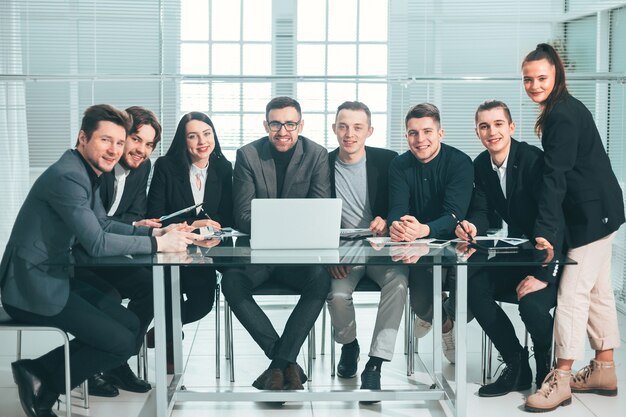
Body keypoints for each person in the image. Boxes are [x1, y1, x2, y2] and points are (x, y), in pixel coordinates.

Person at [0, 104, 198, 417]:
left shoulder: (82, 171)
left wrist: (153, 230)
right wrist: (157, 243)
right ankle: (44, 383)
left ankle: (39, 373)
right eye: (106, 141)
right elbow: (96, 241)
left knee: (131, 326)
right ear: (83, 137)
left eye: (119, 143)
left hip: (54, 275)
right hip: (31, 285)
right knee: (120, 343)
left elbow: (102, 224)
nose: (114, 150)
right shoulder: (69, 176)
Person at [521, 43, 625, 412]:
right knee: (597, 292)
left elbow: (555, 178)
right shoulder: (561, 109)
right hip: (601, 211)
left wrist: (545, 233)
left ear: (557, 75)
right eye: (528, 79)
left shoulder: (562, 115)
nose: (534, 85)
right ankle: (604, 369)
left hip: (592, 215)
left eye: (541, 78)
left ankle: (561, 378)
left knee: (572, 295)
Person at [221, 96, 331, 391]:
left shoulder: (317, 154)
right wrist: (288, 224)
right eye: (276, 123)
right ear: (266, 124)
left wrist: (277, 223)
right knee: (231, 282)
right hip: (259, 254)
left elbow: (319, 209)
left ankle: (278, 365)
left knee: (320, 279)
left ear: (301, 125)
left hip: (298, 257)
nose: (283, 130)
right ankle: (285, 362)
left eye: (290, 123)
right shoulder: (247, 155)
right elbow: (242, 215)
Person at [455, 100, 563, 397]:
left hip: (550, 255)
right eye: (484, 126)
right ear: (477, 131)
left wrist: (543, 274)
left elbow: (555, 218)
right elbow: (482, 211)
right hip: (520, 252)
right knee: (474, 289)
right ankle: (517, 364)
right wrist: (472, 225)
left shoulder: (533, 160)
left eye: (498, 124)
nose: (492, 132)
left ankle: (544, 367)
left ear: (511, 127)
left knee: (531, 305)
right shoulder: (480, 165)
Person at [325, 101, 408, 395]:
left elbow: (402, 204)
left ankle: (375, 362)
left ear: (369, 131)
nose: (350, 133)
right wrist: (328, 256)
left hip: (381, 248)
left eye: (357, 127)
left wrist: (387, 220)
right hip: (341, 251)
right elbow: (312, 214)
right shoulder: (321, 163)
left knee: (398, 283)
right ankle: (349, 346)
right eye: (343, 126)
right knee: (336, 294)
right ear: (334, 129)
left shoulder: (389, 161)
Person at [77, 106, 161, 397]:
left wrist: (141, 226)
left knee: (152, 286)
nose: (142, 150)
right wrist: (137, 227)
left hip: (107, 253)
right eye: (136, 140)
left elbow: (134, 214)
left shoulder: (143, 168)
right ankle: (90, 367)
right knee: (108, 297)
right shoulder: (97, 165)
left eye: (149, 144)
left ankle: (116, 362)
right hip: (79, 255)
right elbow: (92, 225)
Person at [387, 102, 474, 363]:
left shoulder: (460, 162)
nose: (420, 139)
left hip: (456, 244)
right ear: (406, 136)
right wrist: (397, 225)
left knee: (467, 306)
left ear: (440, 133)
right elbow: (396, 209)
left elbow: (455, 213)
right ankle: (441, 323)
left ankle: (440, 314)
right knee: (421, 302)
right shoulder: (399, 165)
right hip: (415, 248)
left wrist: (424, 229)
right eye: (413, 133)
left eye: (427, 131)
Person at [147, 111, 233, 371]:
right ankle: (170, 351)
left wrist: (211, 229)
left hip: (203, 253)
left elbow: (228, 217)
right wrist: (190, 226)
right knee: (167, 295)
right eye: (193, 136)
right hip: (168, 252)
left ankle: (163, 328)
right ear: (183, 141)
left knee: (202, 304)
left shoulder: (224, 167)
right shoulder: (165, 166)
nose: (202, 142)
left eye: (207, 134)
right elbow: (154, 217)